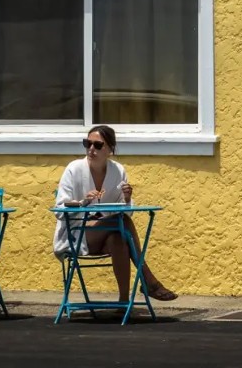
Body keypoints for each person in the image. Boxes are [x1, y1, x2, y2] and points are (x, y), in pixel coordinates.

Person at [53, 124, 178, 302]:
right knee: (122, 222)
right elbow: (59, 209)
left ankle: (124, 301)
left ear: (110, 150)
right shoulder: (73, 169)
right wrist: (83, 203)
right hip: (76, 235)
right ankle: (148, 279)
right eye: (87, 143)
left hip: (104, 234)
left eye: (97, 145)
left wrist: (126, 199)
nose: (91, 149)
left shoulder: (118, 171)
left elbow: (123, 210)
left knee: (118, 239)